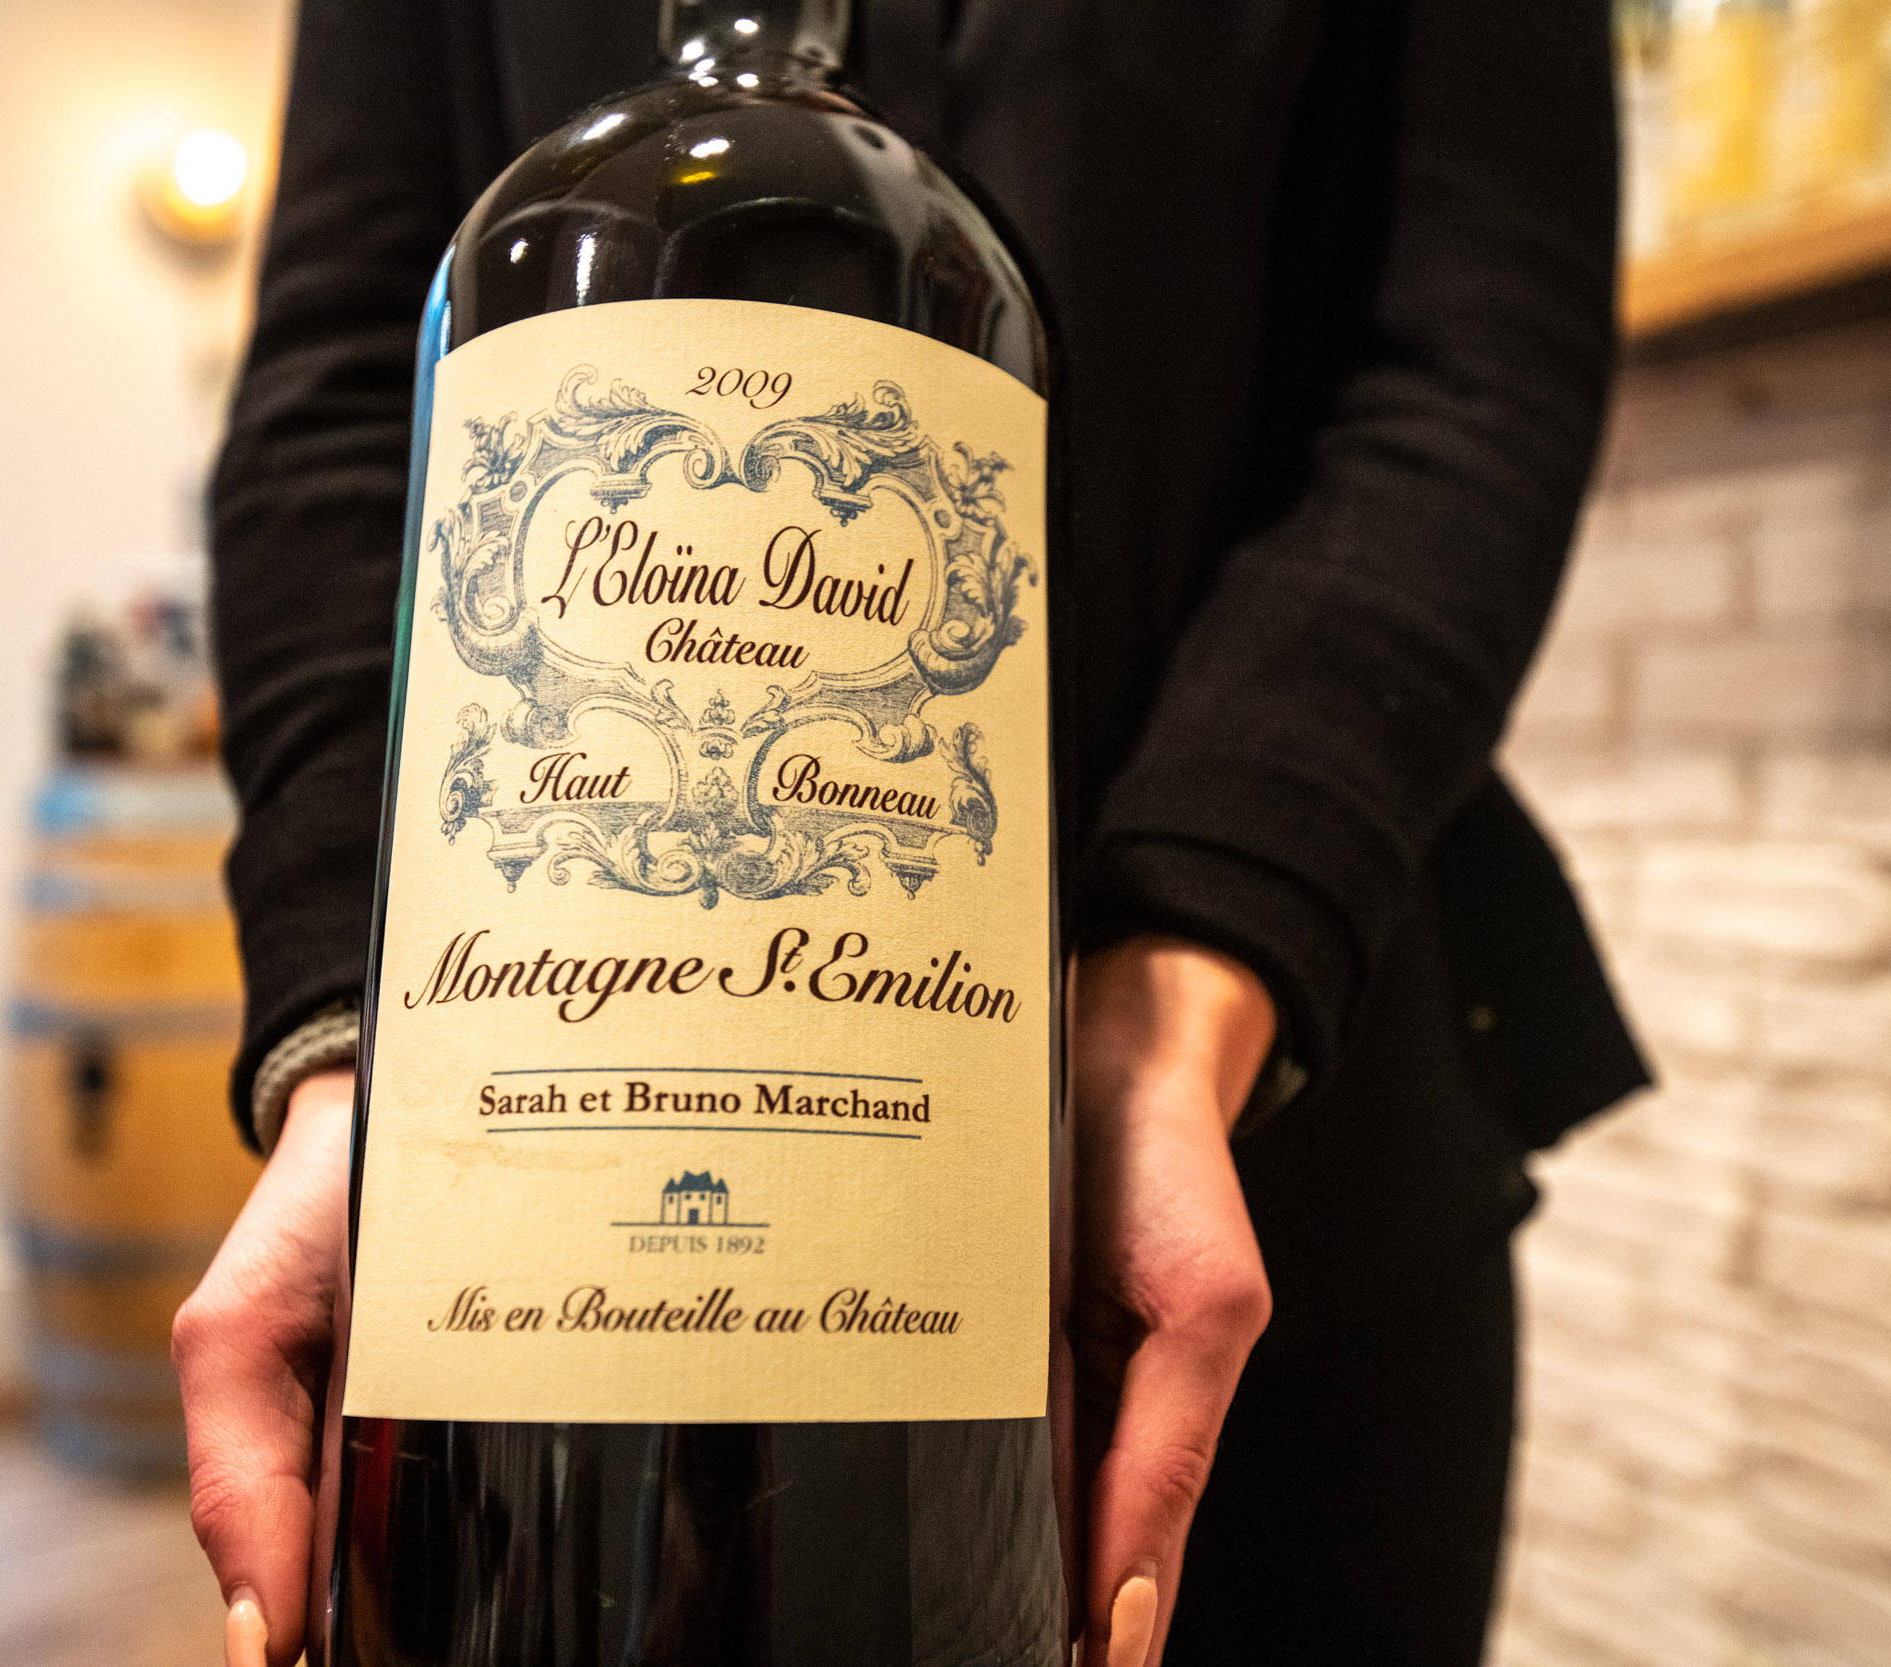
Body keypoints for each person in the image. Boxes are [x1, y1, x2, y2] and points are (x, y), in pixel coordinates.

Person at [176, 2, 1646, 1663]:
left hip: (1280, 1156)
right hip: (540, 1184)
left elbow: (1477, 370)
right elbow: (336, 411)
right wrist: (363, 1059)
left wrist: (1191, 968)